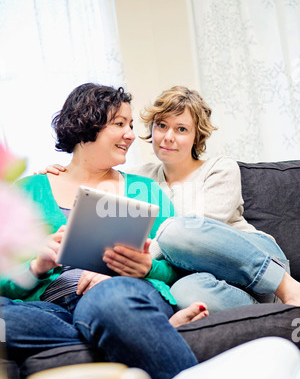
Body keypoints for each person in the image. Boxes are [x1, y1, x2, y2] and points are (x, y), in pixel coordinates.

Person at [1, 83, 209, 379]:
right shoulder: (27, 190)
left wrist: (146, 268)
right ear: (87, 123)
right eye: (120, 124)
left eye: (130, 125)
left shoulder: (144, 190)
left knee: (111, 301)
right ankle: (144, 330)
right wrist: (36, 267)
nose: (130, 134)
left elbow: (178, 264)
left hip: (120, 291)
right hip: (48, 309)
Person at [43, 86, 300, 313]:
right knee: (181, 294)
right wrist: (57, 173)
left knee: (176, 229)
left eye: (181, 129)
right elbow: (91, 177)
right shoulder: (138, 178)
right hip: (208, 279)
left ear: (196, 136)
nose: (168, 137)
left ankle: (287, 287)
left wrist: (123, 264)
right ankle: (268, 313)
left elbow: (198, 231)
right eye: (161, 126)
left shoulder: (220, 169)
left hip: (255, 259)